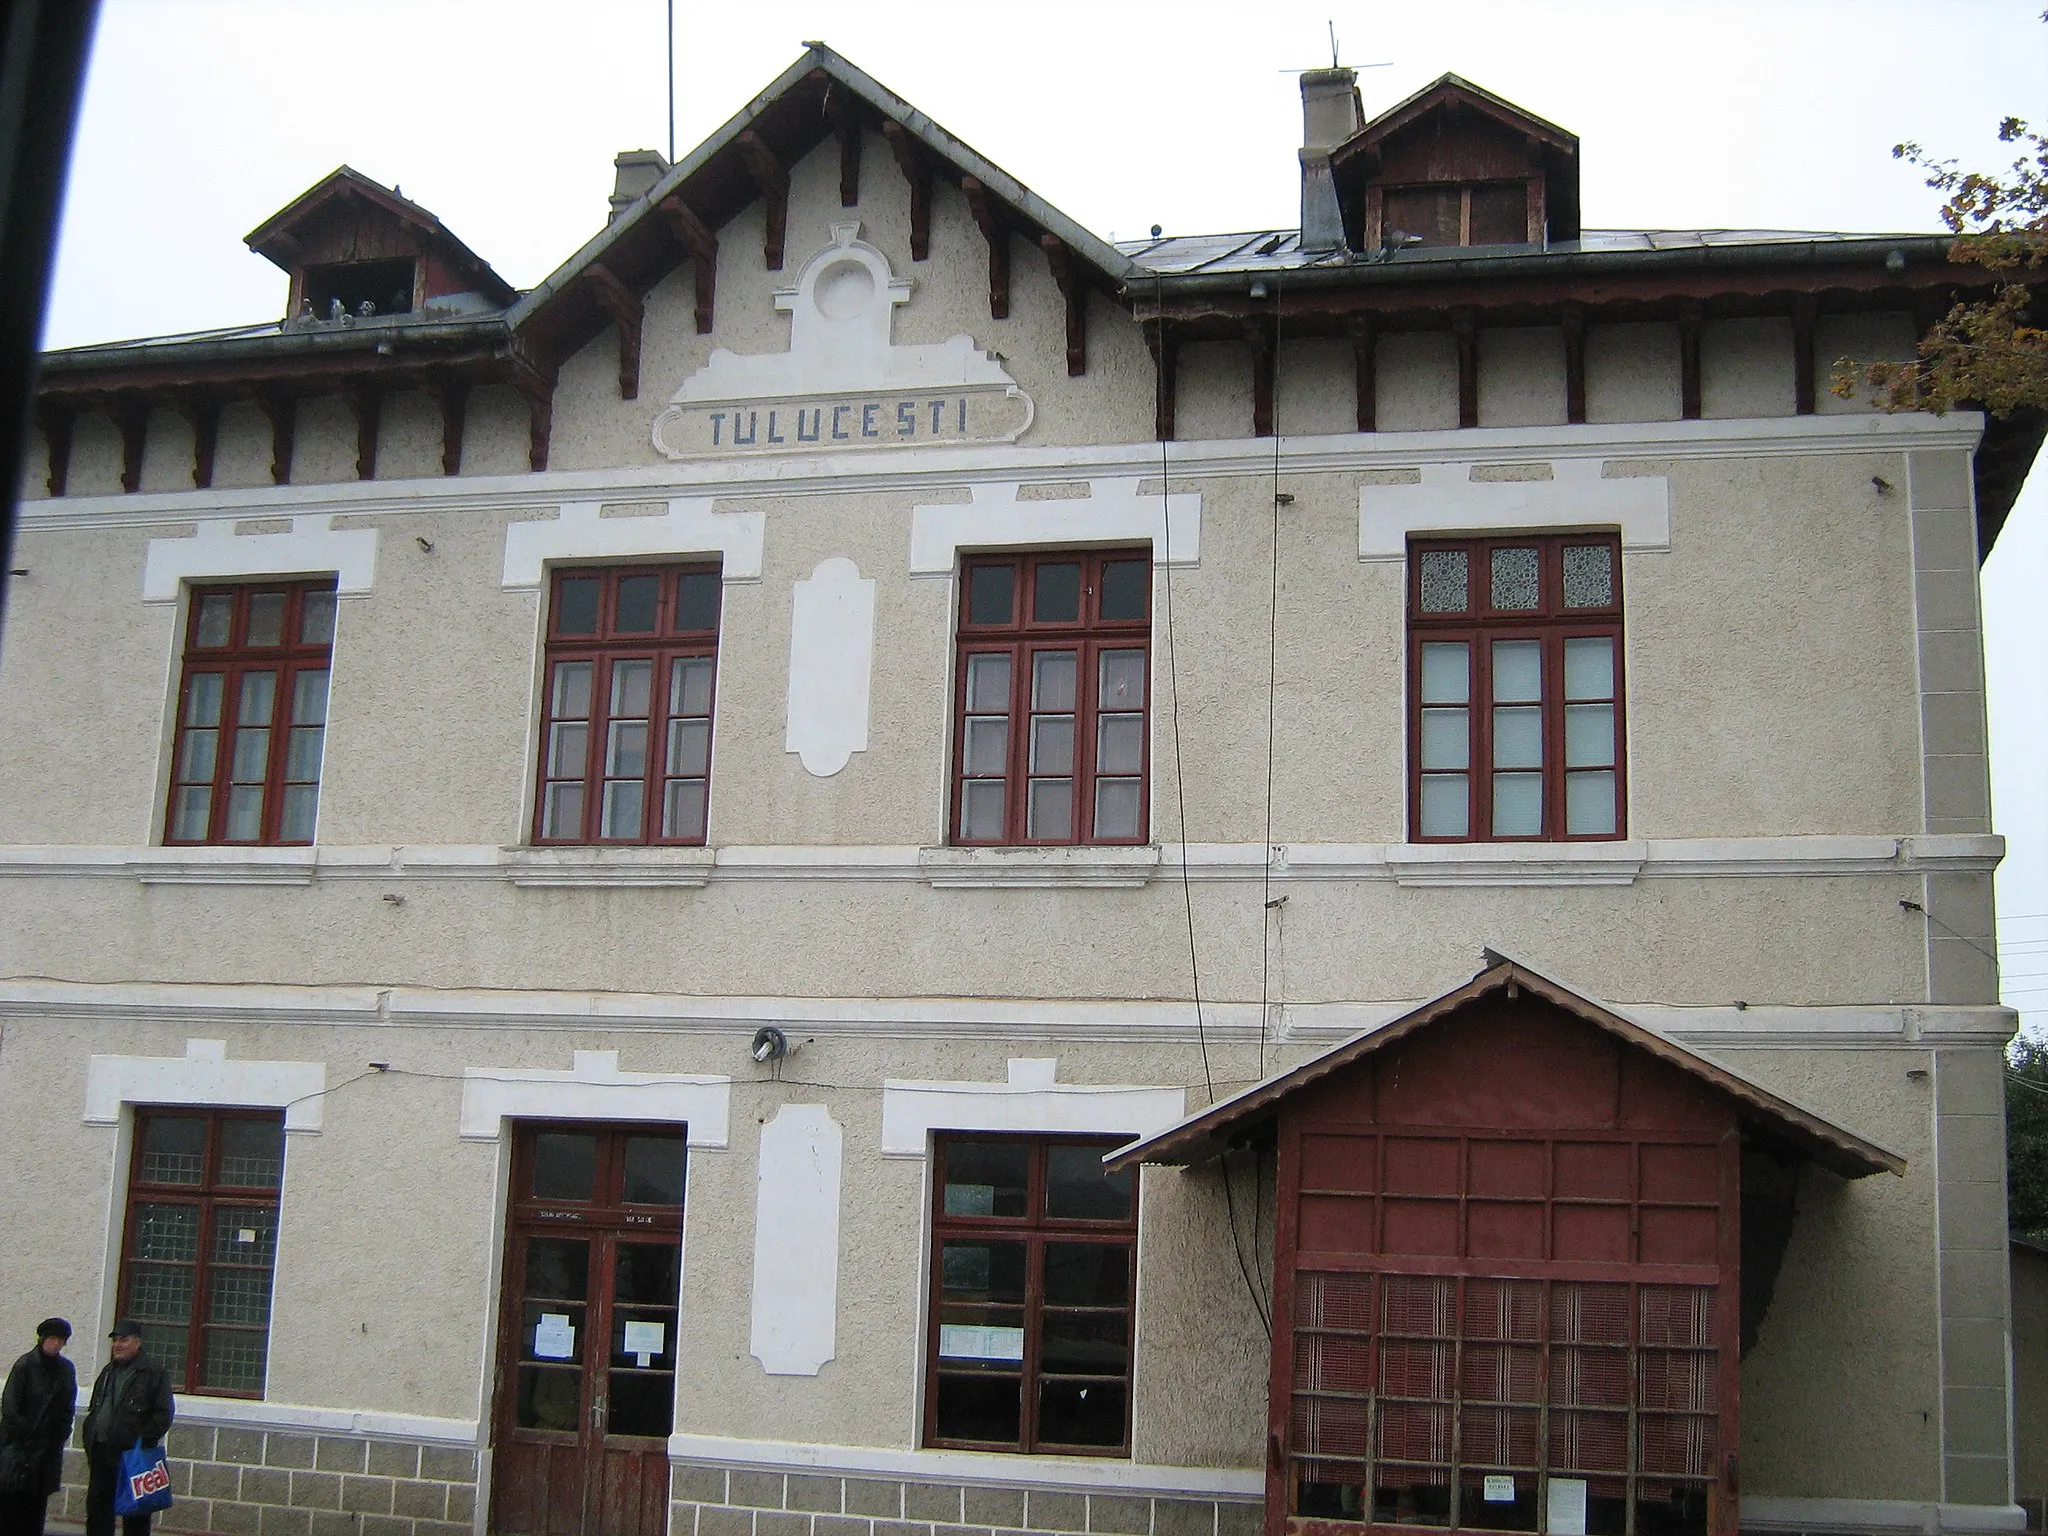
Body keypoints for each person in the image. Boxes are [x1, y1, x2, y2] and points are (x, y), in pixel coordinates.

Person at [79, 1321, 172, 1536]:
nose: (117, 1345)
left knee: (136, 1515)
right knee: (98, 1511)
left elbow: (163, 1412)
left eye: (124, 1339)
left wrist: (145, 1439)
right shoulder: (108, 1371)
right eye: (115, 1340)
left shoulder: (152, 1372)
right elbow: (96, 1407)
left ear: (137, 1342)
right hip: (102, 1451)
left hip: (131, 1456)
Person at [0, 1319, 77, 1536]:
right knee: (11, 1507)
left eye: (61, 1341)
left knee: (36, 1509)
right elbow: (11, 1406)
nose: (57, 1345)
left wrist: (60, 1435)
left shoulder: (65, 1370)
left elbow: (67, 1408)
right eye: (53, 1339)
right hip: (19, 1449)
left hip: (46, 1451)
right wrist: (24, 1435)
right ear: (43, 1339)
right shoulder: (25, 1365)